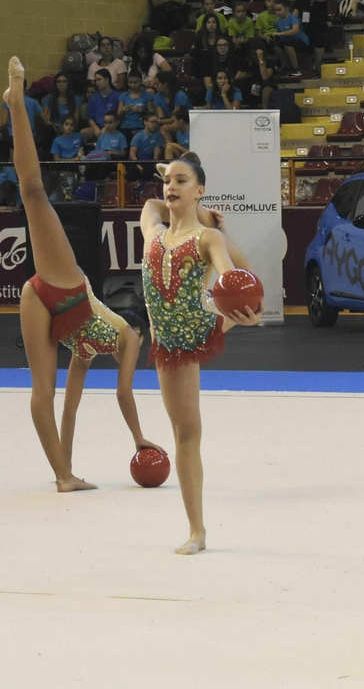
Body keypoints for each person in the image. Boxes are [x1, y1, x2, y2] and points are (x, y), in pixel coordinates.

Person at [139, 153, 262, 554]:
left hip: (194, 334)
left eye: (182, 181)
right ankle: (197, 531)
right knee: (181, 432)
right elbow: (150, 206)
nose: (171, 187)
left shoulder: (208, 239)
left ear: (200, 189)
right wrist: (195, 203)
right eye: (168, 181)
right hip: (166, 343)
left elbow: (229, 273)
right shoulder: (153, 233)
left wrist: (244, 303)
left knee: (188, 435)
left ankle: (197, 532)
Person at [269, 0, 313, 77]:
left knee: (288, 45)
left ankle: (296, 68)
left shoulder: (292, 17)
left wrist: (280, 34)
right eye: (276, 10)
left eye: (279, 10)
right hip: (287, 41)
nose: (277, 12)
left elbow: (295, 30)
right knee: (276, 46)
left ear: (287, 9)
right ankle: (286, 66)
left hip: (301, 42)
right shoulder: (278, 21)